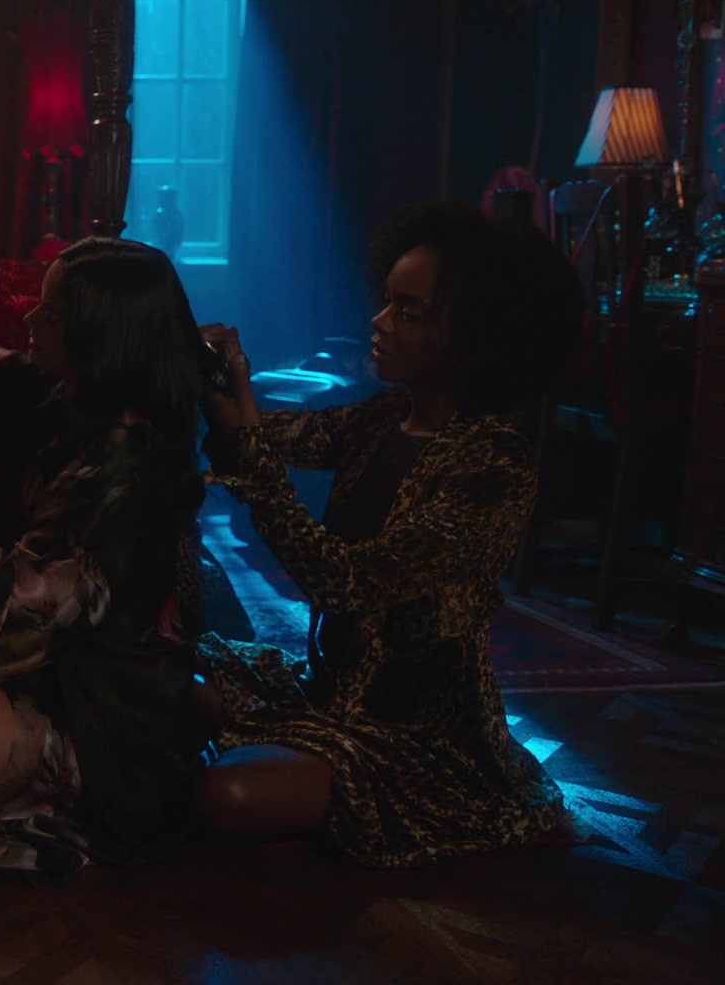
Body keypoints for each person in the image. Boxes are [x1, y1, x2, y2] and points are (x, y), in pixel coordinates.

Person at [194, 201, 581, 866]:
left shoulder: (493, 465)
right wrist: (220, 380)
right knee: (168, 681)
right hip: (328, 691)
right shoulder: (386, 417)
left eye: (408, 312)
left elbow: (345, 583)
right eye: (387, 301)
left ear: (472, 333)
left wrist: (251, 455)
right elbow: (273, 436)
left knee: (225, 796)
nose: (379, 321)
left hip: (417, 736)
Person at [0, 237, 210, 917]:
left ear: (99, 335)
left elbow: (19, 598)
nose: (29, 320)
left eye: (50, 314)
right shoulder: (77, 399)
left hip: (109, 725)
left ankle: (1, 786)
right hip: (50, 678)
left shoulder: (126, 462)